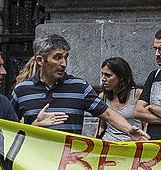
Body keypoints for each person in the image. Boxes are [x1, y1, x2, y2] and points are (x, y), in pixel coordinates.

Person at [11, 35, 146, 139]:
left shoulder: (79, 87)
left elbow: (108, 114)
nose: (63, 63)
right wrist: (34, 126)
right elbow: (7, 130)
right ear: (40, 60)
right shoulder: (21, 90)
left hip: (69, 166)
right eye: (57, 57)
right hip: (32, 168)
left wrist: (129, 129)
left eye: (66, 57)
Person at [97, 57, 143, 142]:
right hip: (108, 144)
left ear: (121, 77)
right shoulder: (103, 96)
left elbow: (145, 124)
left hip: (132, 145)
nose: (103, 79)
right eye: (102, 74)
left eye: (108, 75)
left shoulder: (137, 94)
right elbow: (101, 126)